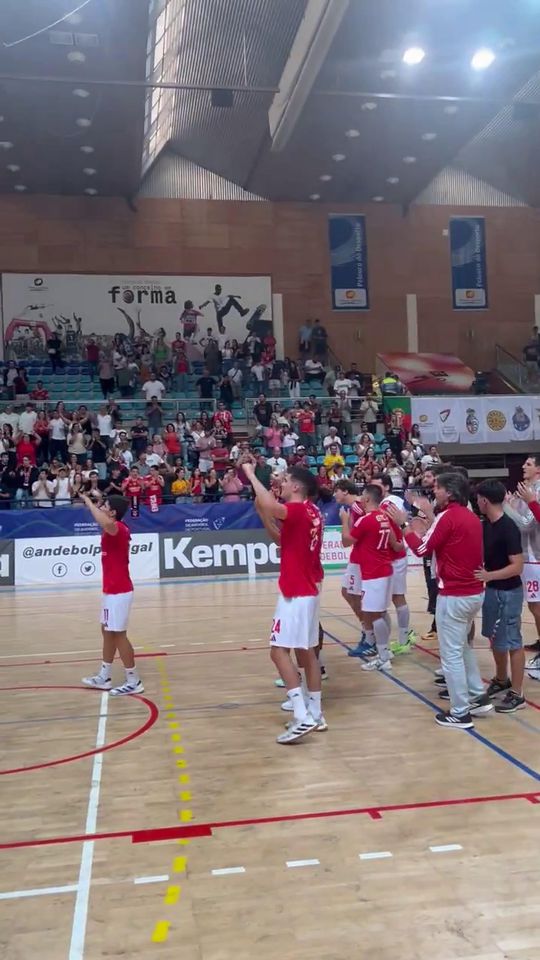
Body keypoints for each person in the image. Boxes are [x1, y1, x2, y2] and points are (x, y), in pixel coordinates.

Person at [387, 472, 492, 729]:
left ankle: (460, 712)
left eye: (438, 488)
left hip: (455, 594)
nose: (434, 492)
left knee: (451, 654)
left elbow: (422, 549)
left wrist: (404, 525)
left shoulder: (448, 517)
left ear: (450, 493)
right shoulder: (470, 516)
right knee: (462, 647)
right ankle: (478, 696)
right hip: (474, 591)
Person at [243, 461, 325, 744]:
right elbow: (283, 541)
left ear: (297, 487)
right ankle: (316, 713)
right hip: (309, 590)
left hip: (296, 591)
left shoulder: (299, 509)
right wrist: (264, 516)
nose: (282, 481)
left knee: (278, 652)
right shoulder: (313, 512)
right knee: (307, 654)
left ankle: (301, 716)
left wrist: (252, 474)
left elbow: (270, 504)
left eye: (286, 479)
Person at [80, 494, 143, 696]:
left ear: (113, 512)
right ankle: (104, 676)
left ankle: (134, 681)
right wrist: (98, 501)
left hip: (120, 591)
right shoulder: (111, 528)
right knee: (107, 632)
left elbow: (104, 520)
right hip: (111, 591)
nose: (102, 507)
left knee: (119, 636)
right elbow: (104, 519)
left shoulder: (118, 528)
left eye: (105, 505)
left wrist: (88, 502)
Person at [474, 480, 525, 713]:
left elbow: (517, 567)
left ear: (485, 500)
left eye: (478, 499)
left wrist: (489, 575)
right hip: (493, 590)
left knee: (513, 640)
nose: (477, 503)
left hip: (509, 591)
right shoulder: (485, 526)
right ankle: (501, 678)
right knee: (494, 637)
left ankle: (518, 693)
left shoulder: (508, 527)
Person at [340, 484, 397, 672]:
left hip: (374, 572)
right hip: (384, 568)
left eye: (363, 496)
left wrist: (344, 520)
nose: (361, 499)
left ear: (367, 499)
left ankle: (383, 656)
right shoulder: (383, 517)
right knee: (379, 612)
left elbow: (346, 541)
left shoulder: (366, 520)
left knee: (374, 614)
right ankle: (385, 652)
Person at [374, 475, 416, 655]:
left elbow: (392, 526)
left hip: (395, 556)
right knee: (391, 599)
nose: (373, 489)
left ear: (387, 487)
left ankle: (404, 637)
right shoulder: (389, 502)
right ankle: (400, 637)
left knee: (397, 598)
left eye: (377, 486)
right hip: (390, 556)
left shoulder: (389, 503)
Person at [504, 456, 540, 654]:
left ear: (538, 469)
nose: (523, 467)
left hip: (534, 556)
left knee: (536, 605)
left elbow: (525, 524)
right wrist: (512, 503)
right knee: (534, 605)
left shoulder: (537, 491)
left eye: (529, 464)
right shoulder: (528, 490)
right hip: (528, 555)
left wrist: (506, 507)